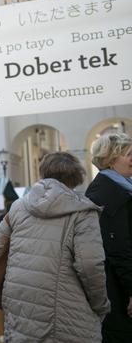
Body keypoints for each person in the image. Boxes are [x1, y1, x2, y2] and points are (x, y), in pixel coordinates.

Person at [0, 152, 110, 342]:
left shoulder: (19, 206)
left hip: (20, 307)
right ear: (76, 177)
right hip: (68, 314)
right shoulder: (84, 211)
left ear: (44, 172)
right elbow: (90, 266)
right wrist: (101, 305)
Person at [86, 132, 132, 342]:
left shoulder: (118, 186)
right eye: (129, 154)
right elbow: (119, 248)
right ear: (111, 160)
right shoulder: (109, 192)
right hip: (118, 291)